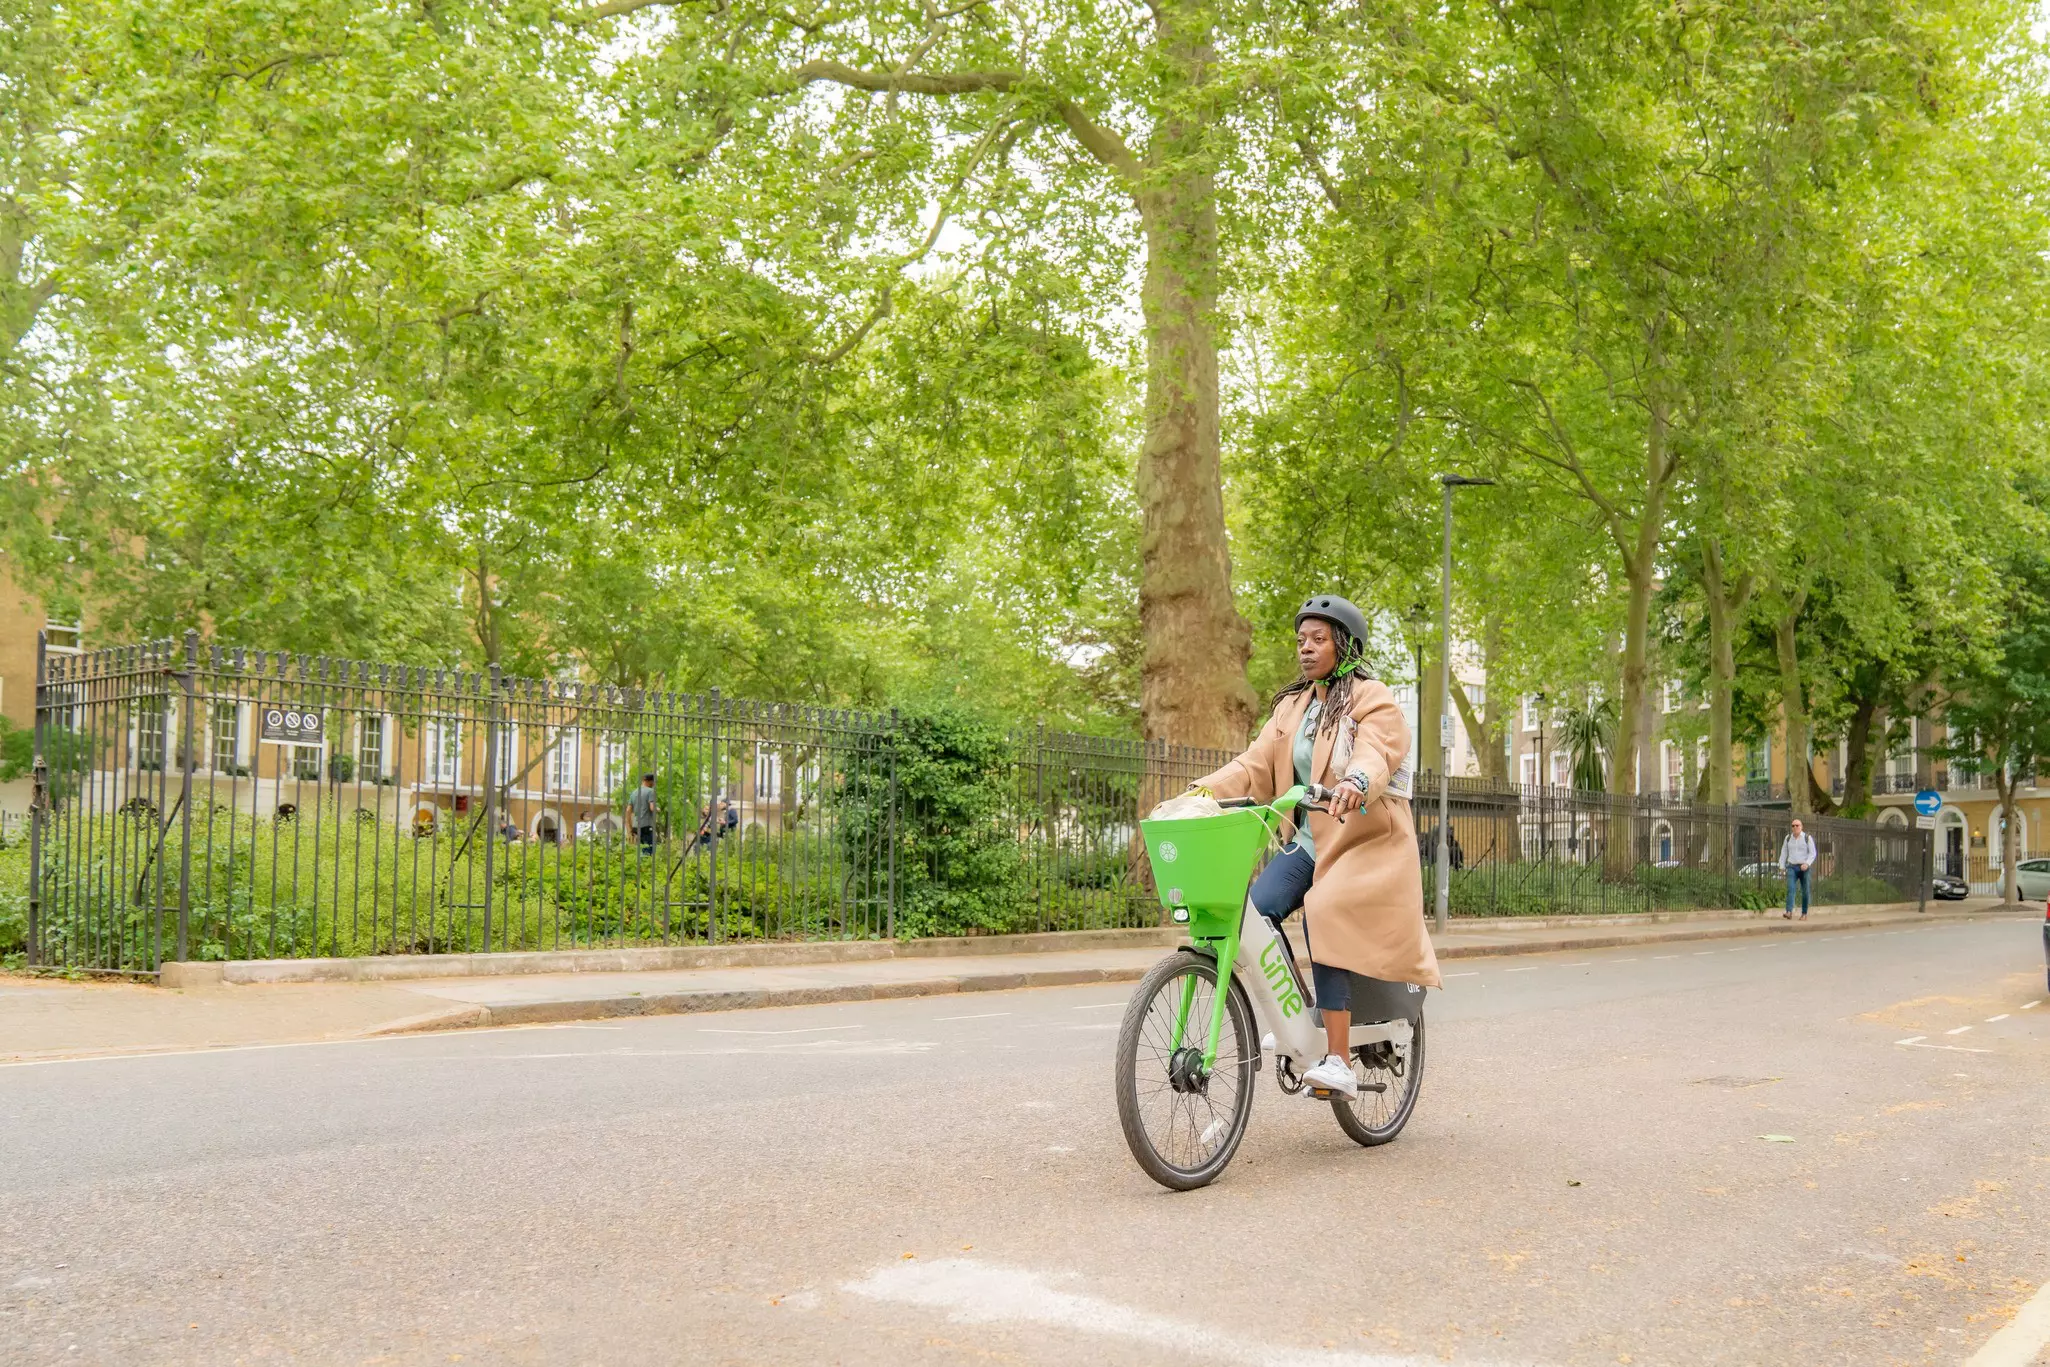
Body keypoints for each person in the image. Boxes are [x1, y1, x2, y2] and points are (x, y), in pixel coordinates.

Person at [1188, 593, 1440, 1098]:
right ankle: (1298, 1015)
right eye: (1301, 639)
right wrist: (1202, 793)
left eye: (1318, 639)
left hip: (1362, 839)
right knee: (1250, 915)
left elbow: (1378, 750)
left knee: (1325, 908)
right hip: (1308, 839)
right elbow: (1254, 766)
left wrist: (1357, 783)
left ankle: (1340, 1060)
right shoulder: (1292, 708)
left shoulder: (1373, 699)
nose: (1306, 648)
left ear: (1344, 646)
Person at [1781, 819, 1817, 918]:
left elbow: (1813, 853)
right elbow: (1784, 852)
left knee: (1805, 890)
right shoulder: (1788, 838)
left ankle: (1804, 913)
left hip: (1804, 867)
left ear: (1801, 827)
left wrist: (1807, 863)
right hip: (1792, 866)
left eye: (1797, 825)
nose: (1795, 827)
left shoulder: (1807, 838)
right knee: (1790, 888)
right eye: (1793, 826)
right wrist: (1782, 866)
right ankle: (1789, 912)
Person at [628, 773, 659, 856]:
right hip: (646, 826)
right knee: (649, 850)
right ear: (651, 781)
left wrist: (630, 828)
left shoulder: (634, 793)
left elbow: (628, 811)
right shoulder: (651, 791)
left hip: (636, 826)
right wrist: (658, 809)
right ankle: (646, 866)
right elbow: (652, 807)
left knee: (641, 849)